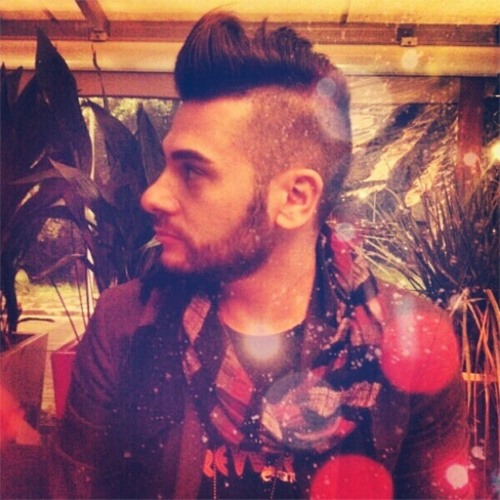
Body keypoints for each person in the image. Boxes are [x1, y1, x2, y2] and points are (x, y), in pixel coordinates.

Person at [53, 11, 472, 499]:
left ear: (294, 198)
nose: (153, 195)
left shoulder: (414, 346)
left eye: (193, 171)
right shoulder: (125, 324)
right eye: (168, 164)